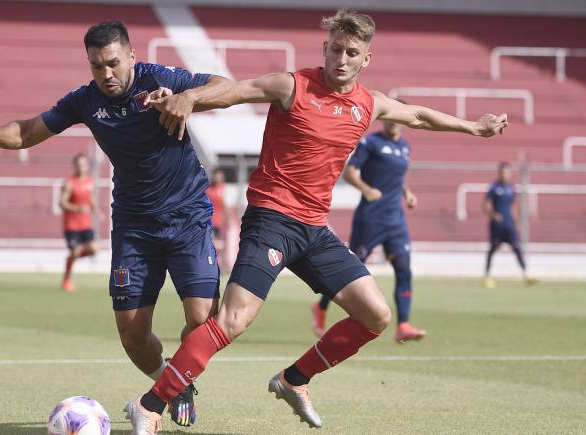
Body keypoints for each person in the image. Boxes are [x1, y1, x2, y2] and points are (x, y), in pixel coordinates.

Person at [124, 9, 508, 433]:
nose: (342, 59)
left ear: (366, 59)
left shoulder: (368, 103)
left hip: (313, 229)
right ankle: (149, 405)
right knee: (233, 320)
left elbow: (417, 115)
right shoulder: (292, 86)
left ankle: (294, 379)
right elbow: (236, 92)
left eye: (352, 52)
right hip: (271, 218)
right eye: (336, 49)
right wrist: (190, 98)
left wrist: (474, 127)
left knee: (376, 316)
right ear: (325, 49)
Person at [0, 21, 227, 427]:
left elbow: (226, 87)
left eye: (113, 64)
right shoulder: (85, 100)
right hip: (135, 226)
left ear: (132, 56)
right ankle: (176, 383)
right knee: (133, 337)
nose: (106, 74)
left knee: (203, 319)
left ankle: (169, 385)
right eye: (96, 66)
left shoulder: (161, 78)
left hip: (187, 216)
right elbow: (30, 130)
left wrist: (187, 98)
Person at [311, 119, 426, 342]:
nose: (393, 122)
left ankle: (403, 324)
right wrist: (366, 189)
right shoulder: (371, 143)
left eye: (398, 118)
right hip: (370, 218)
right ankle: (321, 307)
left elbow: (395, 177)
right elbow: (350, 172)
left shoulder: (405, 147)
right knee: (348, 272)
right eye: (389, 117)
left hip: (396, 221)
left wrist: (407, 193)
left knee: (404, 269)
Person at [483, 162, 536, 288]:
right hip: (497, 226)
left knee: (517, 248)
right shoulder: (494, 187)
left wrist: (516, 222)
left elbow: (512, 207)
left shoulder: (512, 188)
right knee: (492, 249)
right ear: (499, 173)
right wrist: (493, 215)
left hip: (509, 225)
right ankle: (487, 276)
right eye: (502, 172)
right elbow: (485, 205)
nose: (505, 174)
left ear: (510, 173)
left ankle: (526, 274)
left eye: (507, 172)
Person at [60, 153, 98, 292]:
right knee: (75, 252)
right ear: (75, 166)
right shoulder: (70, 183)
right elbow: (62, 203)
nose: (81, 167)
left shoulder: (90, 181)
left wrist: (96, 209)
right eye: (79, 164)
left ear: (87, 166)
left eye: (84, 164)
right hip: (72, 225)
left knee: (94, 249)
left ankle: (72, 257)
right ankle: (67, 278)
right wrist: (77, 208)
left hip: (86, 225)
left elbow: (90, 197)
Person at [204, 168, 230, 272]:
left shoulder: (222, 188)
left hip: (219, 222)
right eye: (217, 176)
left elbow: (224, 203)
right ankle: (210, 266)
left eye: (220, 176)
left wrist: (228, 217)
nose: (218, 178)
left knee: (219, 244)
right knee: (210, 244)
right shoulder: (208, 189)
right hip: (209, 221)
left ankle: (219, 266)